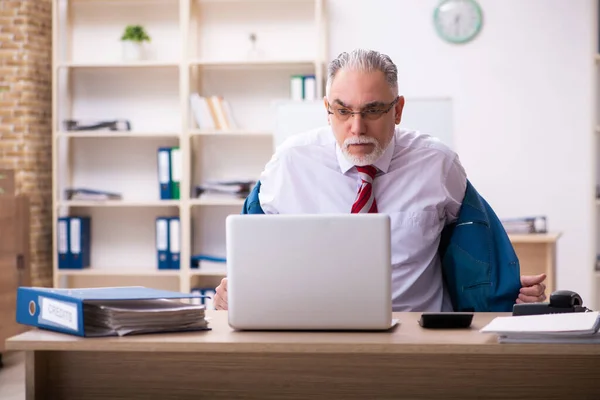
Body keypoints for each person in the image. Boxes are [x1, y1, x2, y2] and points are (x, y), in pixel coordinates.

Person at [214, 48, 546, 312]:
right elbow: (252, 255)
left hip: (420, 340)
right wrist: (237, 292)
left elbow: (481, 249)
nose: (356, 128)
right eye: (342, 111)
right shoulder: (289, 163)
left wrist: (506, 290)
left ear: (398, 110)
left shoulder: (438, 164)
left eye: (372, 111)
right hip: (316, 335)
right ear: (327, 108)